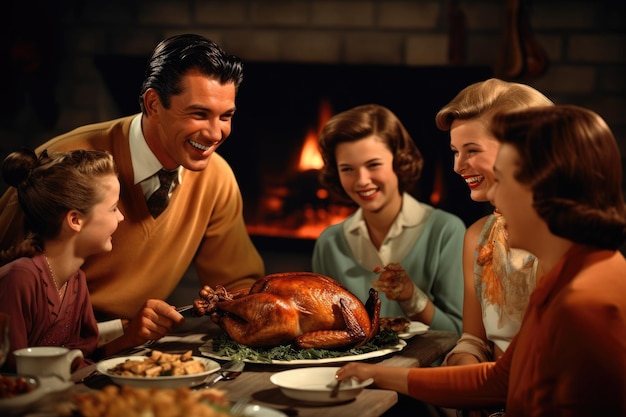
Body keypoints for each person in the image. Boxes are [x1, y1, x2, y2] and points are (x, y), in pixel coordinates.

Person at [335, 105, 626, 416]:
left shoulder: (584, 305)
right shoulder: (562, 277)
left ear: (543, 190)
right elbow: (500, 380)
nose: (494, 199)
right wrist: (376, 374)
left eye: (501, 180)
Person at [0, 34, 264, 337]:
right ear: (153, 103)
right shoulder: (64, 163)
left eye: (226, 116)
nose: (216, 133)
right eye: (199, 114)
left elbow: (238, 285)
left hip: (129, 347)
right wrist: (119, 332)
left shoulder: (216, 176)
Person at [0, 149, 184, 371]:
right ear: (75, 220)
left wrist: (131, 337)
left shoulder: (76, 281)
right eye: (113, 208)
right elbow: (12, 375)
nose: (121, 217)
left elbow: (83, 359)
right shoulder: (19, 280)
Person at [312, 104, 464, 334]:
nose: (362, 180)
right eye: (347, 169)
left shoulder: (446, 231)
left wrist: (412, 298)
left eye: (373, 165)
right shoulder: (329, 243)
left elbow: (458, 332)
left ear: (399, 160)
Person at [435, 79, 553, 371]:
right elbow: (473, 340)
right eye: (455, 151)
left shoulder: (563, 235)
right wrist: (464, 366)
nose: (457, 166)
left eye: (472, 150)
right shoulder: (478, 235)